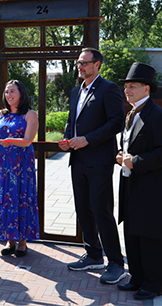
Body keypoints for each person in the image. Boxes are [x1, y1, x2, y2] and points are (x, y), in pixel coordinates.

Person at [58, 47, 126, 284]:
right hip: (77, 160)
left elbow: (117, 122)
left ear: (97, 65)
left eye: (85, 63)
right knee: (83, 209)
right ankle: (94, 255)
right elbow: (72, 121)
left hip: (99, 161)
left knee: (101, 210)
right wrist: (68, 139)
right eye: (78, 63)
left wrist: (87, 139)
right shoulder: (76, 91)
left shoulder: (109, 89)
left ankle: (116, 262)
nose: (80, 67)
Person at [115, 63, 162, 300]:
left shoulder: (159, 116)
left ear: (146, 89)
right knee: (132, 234)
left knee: (151, 237)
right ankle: (137, 278)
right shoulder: (131, 113)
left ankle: (153, 284)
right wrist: (121, 157)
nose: (127, 90)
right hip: (131, 186)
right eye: (126, 86)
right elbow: (130, 145)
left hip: (152, 189)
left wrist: (136, 161)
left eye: (132, 86)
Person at [0, 80, 40, 257]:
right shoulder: (0, 114)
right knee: (5, 199)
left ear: (21, 94)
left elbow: (27, 140)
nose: (9, 95)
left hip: (22, 166)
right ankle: (10, 240)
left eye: (12, 92)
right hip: (4, 166)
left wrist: (10, 141)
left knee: (21, 198)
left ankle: (22, 241)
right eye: (7, 92)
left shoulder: (30, 114)